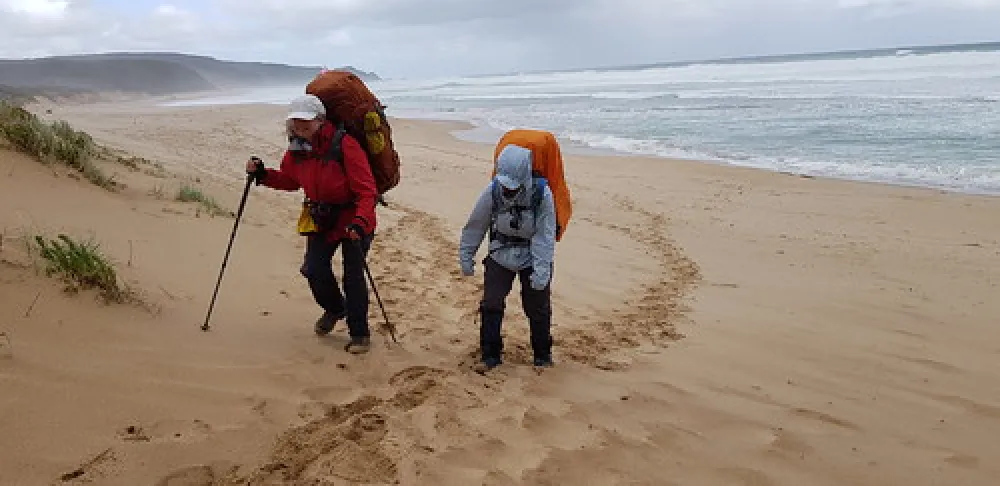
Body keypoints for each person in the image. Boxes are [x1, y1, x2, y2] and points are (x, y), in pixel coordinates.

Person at [246, 94, 378, 354]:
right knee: (313, 269)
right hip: (321, 217)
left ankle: (360, 334)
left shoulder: (345, 145)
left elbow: (367, 191)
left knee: (353, 276)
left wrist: (361, 222)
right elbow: (290, 180)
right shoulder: (296, 149)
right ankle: (335, 309)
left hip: (354, 218)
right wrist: (262, 174)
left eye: (305, 122)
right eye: (295, 123)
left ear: (320, 120)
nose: (300, 127)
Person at [459, 144, 557, 370]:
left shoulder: (542, 195)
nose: (508, 190)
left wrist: (541, 271)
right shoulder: (492, 191)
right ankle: (490, 354)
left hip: (532, 255)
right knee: (491, 302)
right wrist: (467, 254)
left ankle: (542, 355)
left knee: (537, 306)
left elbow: (545, 235)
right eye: (505, 185)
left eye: (513, 187)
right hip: (500, 252)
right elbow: (476, 224)